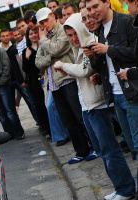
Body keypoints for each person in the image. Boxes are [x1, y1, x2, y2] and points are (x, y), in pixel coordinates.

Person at [54, 13, 136, 200]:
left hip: (98, 103)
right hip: (87, 105)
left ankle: (125, 188)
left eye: (74, 33)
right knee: (102, 150)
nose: (73, 38)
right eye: (69, 35)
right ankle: (120, 187)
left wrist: (64, 66)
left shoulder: (91, 42)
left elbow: (85, 70)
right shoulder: (79, 48)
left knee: (110, 149)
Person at [35, 7, 95, 164]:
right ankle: (81, 151)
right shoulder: (44, 38)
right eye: (40, 23)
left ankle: (93, 147)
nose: (43, 25)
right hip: (54, 83)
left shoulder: (62, 30)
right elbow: (38, 61)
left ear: (53, 17)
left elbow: (59, 48)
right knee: (68, 120)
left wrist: (46, 45)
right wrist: (52, 54)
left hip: (68, 78)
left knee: (79, 115)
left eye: (45, 20)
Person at [86, 0, 138, 165]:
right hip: (114, 95)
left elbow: (134, 54)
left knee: (137, 146)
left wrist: (109, 49)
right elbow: (106, 65)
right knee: (132, 146)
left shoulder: (126, 21)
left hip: (131, 92)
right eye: (89, 9)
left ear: (107, 3)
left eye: (96, 6)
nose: (92, 12)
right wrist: (94, 60)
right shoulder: (100, 30)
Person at [22, 27, 51, 136]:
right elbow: (25, 68)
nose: (34, 35)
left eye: (35, 33)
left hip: (46, 77)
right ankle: (46, 128)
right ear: (28, 36)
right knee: (39, 105)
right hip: (34, 81)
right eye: (31, 34)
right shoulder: (26, 50)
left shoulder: (43, 45)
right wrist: (27, 57)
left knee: (49, 104)